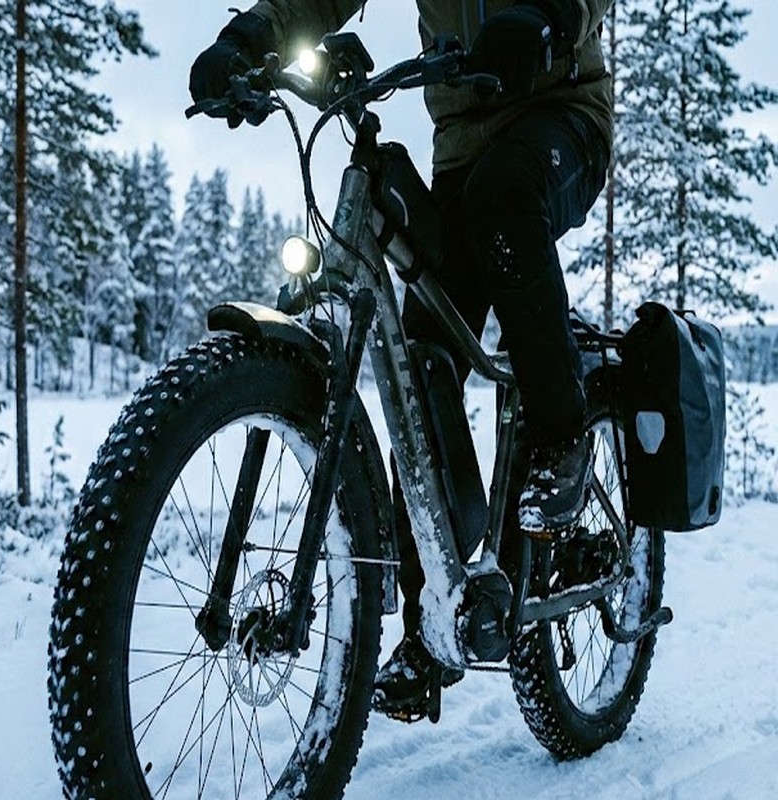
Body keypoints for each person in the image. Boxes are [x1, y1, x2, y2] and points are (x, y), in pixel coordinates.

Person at [191, 0, 618, 721]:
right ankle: (433, 621)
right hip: (463, 151)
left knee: (505, 200)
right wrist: (252, 35)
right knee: (420, 363)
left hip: (560, 118)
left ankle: (563, 435)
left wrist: (545, 19)